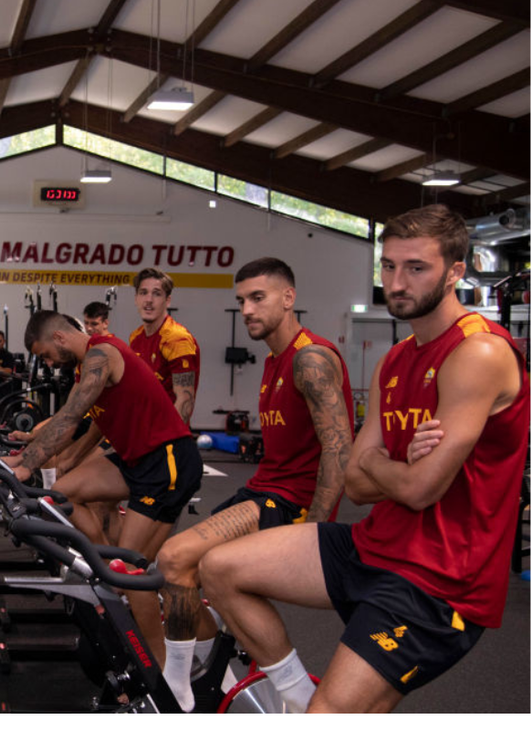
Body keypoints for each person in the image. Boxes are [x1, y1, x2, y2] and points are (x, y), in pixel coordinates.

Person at [200, 205, 529, 713]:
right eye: (388, 266)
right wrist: (389, 466)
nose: (397, 282)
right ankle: (295, 694)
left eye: (416, 267)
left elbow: (422, 490)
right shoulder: (394, 361)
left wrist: (381, 464)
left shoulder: (478, 353)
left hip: (438, 581)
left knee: (332, 717)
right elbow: (355, 481)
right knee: (217, 566)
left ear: (456, 271)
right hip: (373, 545)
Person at [154, 257, 353, 711]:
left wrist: (314, 532)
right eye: (241, 300)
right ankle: (213, 679)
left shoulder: (311, 359)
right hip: (262, 490)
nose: (246, 309)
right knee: (178, 572)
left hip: (288, 501)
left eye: (257, 298)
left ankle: (185, 688)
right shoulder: (273, 362)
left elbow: (339, 451)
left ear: (289, 298)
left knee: (174, 556)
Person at [8, 311, 202, 670]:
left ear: (61, 338)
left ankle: (162, 671)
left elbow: (70, 416)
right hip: (135, 462)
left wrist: (27, 463)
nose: (49, 363)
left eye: (47, 355)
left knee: (129, 570)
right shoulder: (86, 367)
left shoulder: (102, 354)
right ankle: (102, 567)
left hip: (167, 461)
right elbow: (98, 421)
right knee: (64, 493)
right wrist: (68, 462)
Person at [129, 268, 200, 427]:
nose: (149, 300)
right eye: (143, 292)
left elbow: (184, 401)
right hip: (141, 429)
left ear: (167, 300)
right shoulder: (136, 337)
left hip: (166, 438)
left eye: (156, 293)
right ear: (136, 299)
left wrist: (166, 440)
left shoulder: (177, 339)